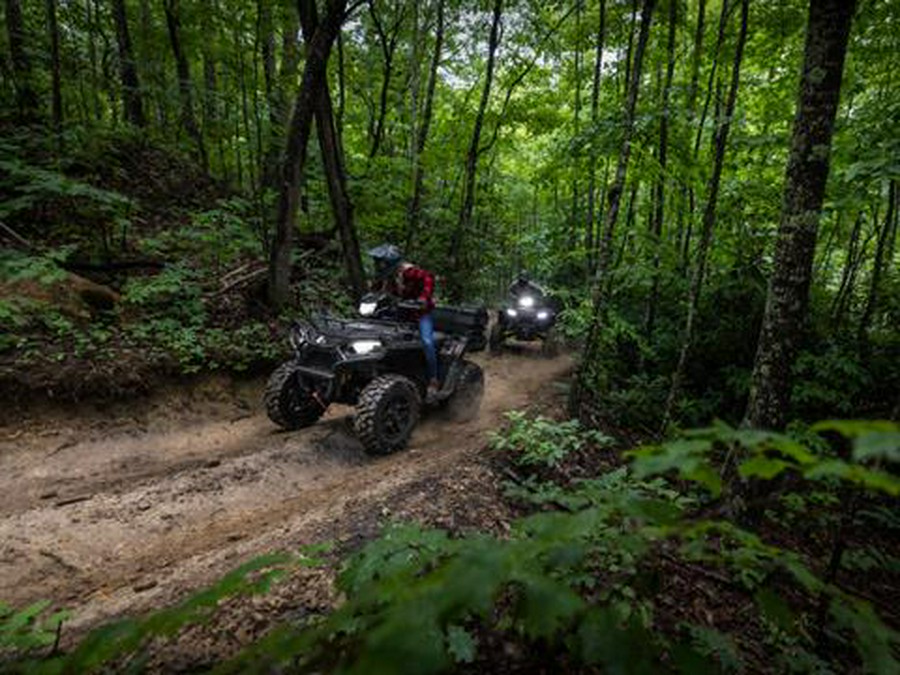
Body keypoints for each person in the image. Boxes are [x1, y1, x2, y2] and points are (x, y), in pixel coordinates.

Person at [367, 244, 439, 396]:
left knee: (427, 341)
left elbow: (429, 277)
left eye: (381, 262)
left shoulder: (409, 271)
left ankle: (434, 379)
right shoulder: (387, 276)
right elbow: (376, 290)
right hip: (400, 312)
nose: (378, 265)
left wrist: (423, 298)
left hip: (420, 313)